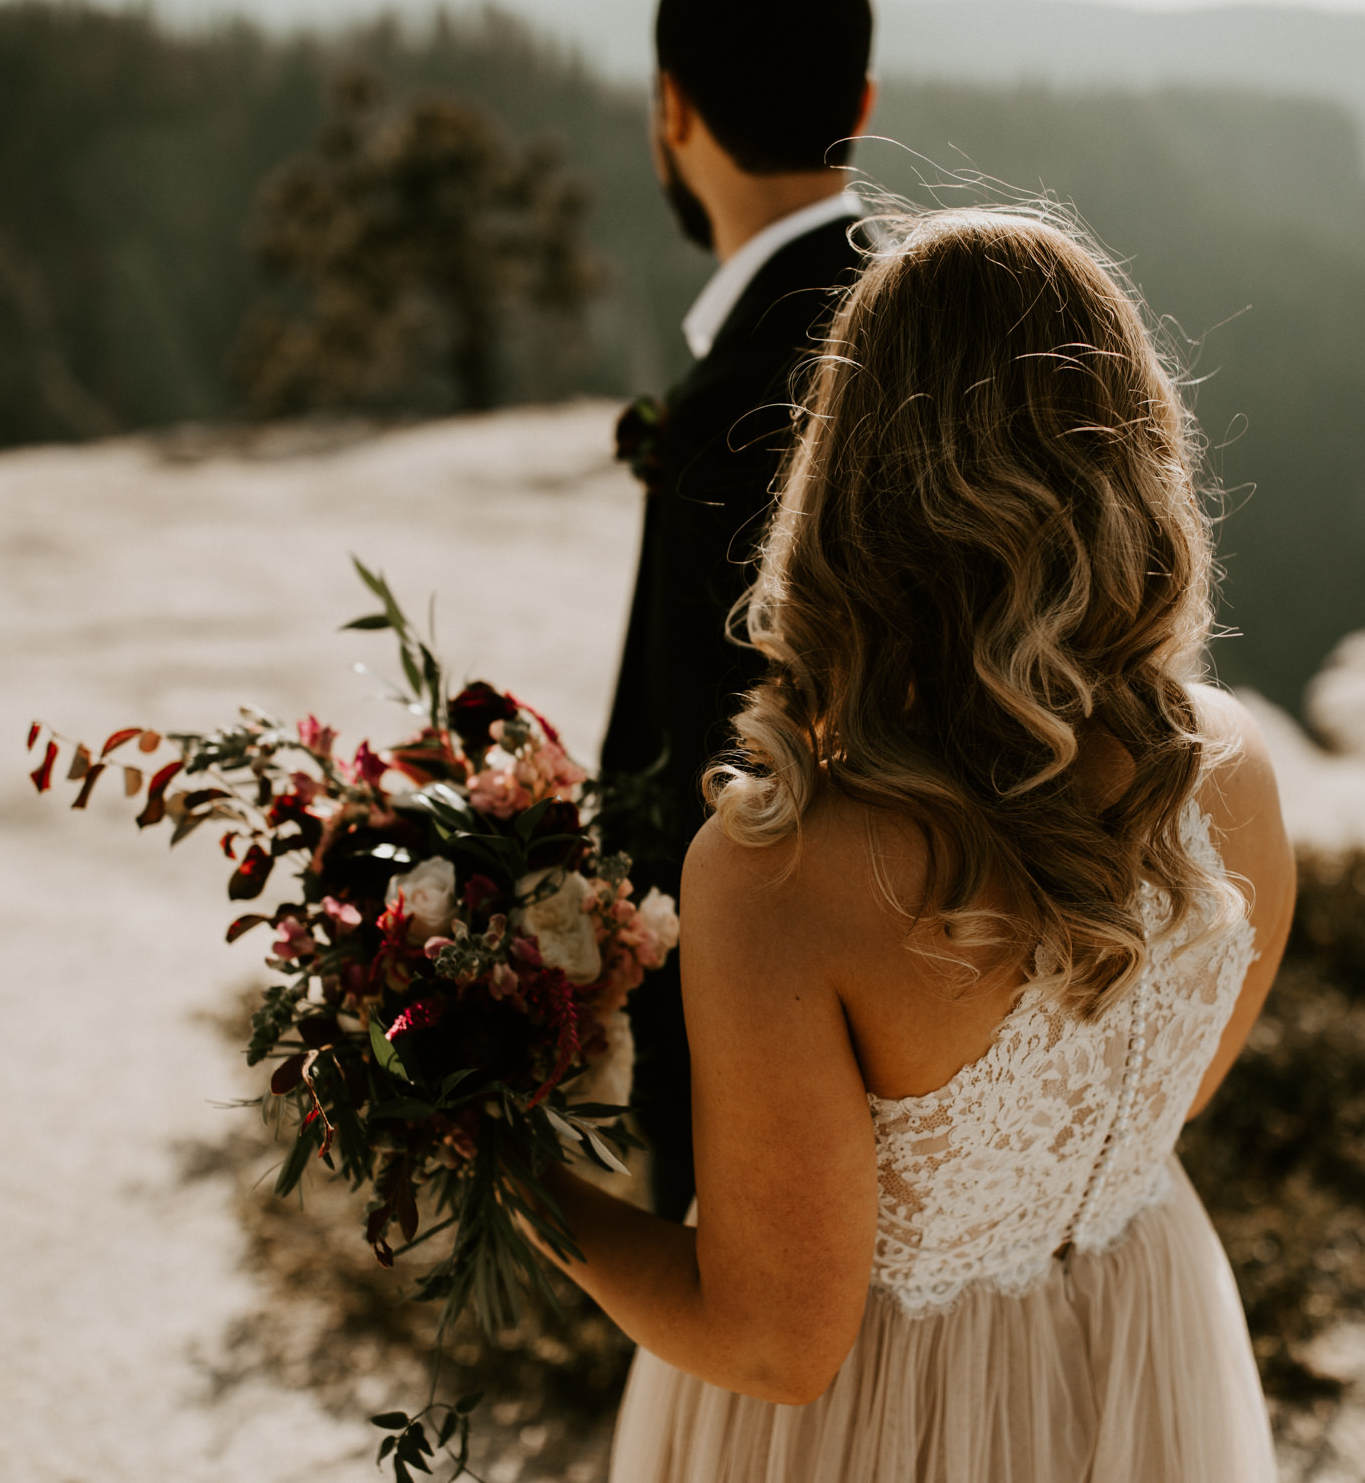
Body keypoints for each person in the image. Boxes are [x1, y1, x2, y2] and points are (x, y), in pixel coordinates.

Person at [537, 207, 1293, 1480]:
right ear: (1136, 451)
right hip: (1136, 1338)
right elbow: (1175, 1099)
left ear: (847, 472)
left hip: (879, 1430)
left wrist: (521, 1191)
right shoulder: (1230, 771)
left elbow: (779, 1347)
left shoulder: (783, 876)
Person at [605, 0, 879, 1222]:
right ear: (862, 108)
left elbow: (701, 779)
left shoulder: (732, 409)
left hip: (758, 1077)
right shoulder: (928, 329)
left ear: (671, 109)